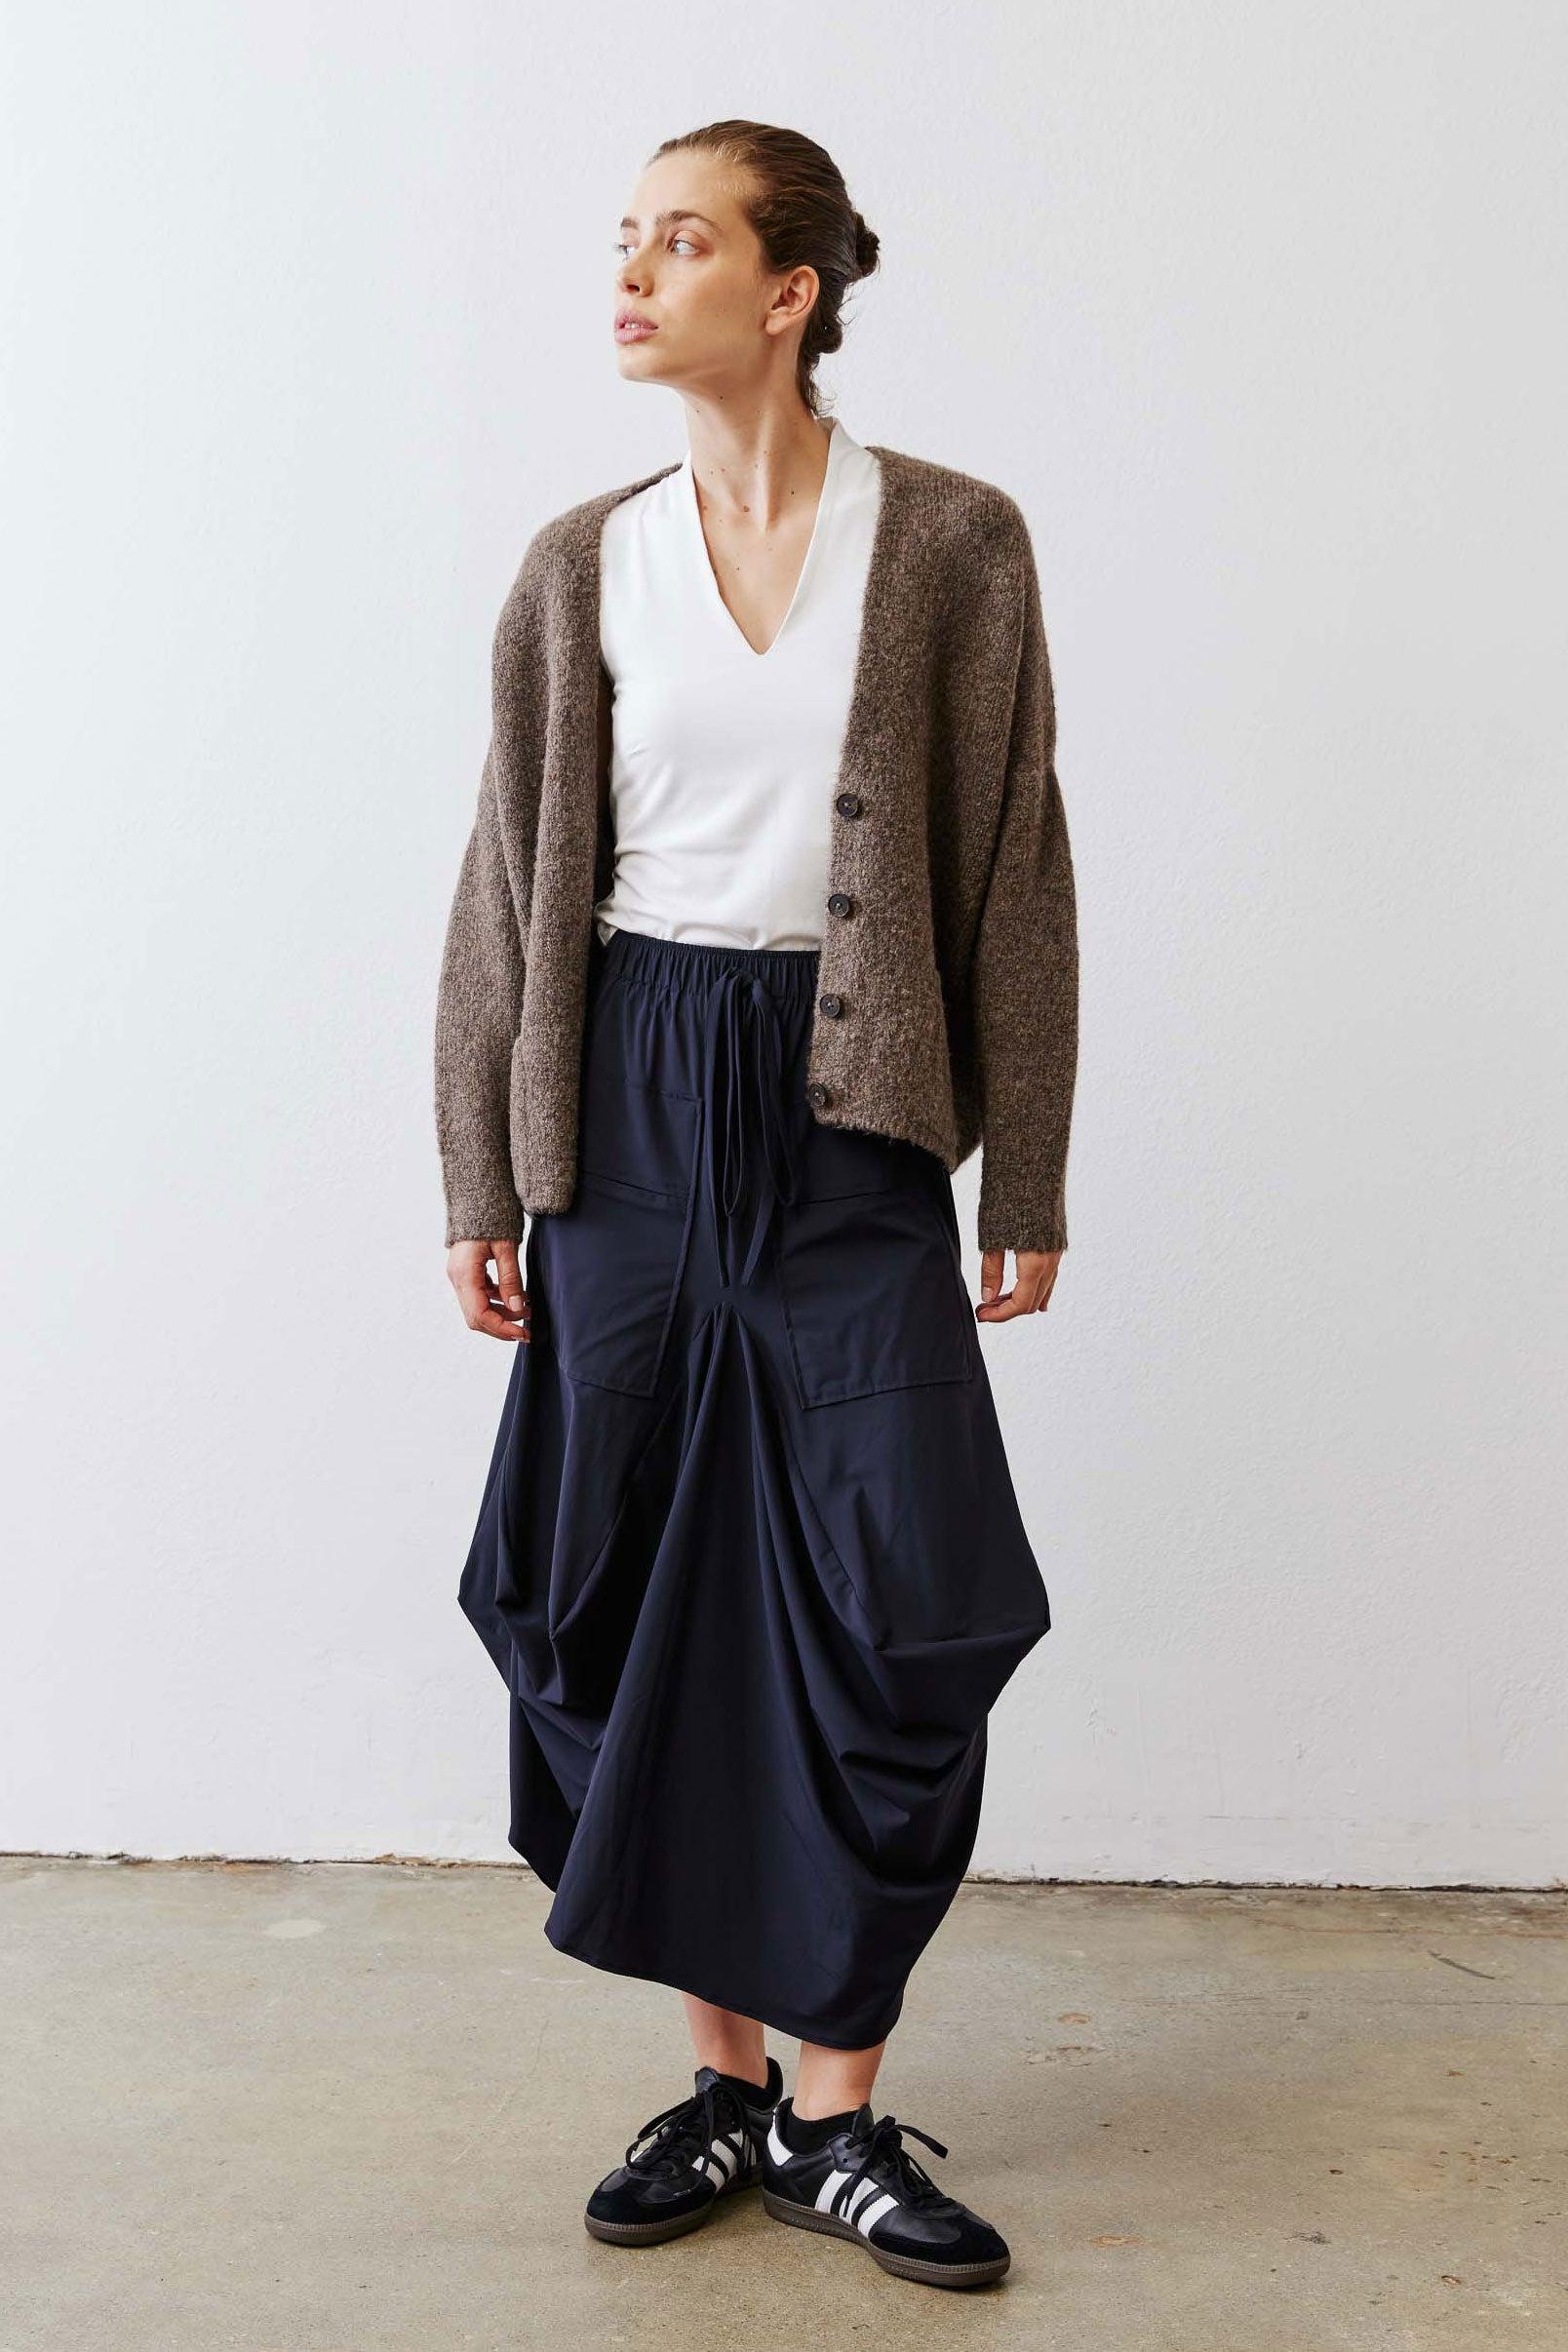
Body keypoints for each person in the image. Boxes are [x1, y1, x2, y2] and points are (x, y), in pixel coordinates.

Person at [434, 119, 1078, 2293]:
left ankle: (840, 2116)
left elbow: (1014, 865)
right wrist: (482, 1169)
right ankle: (733, 2091)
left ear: (791, 290)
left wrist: (1029, 1159)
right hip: (626, 1106)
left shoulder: (957, 543)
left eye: (682, 241)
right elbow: (507, 885)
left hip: (850, 1119)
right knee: (610, 1591)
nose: (633, 274)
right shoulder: (579, 565)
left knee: (908, 1603)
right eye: (625, 239)